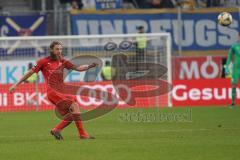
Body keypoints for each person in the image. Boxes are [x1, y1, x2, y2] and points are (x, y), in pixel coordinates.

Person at [9, 41, 97, 140]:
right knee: (74, 106)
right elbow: (30, 72)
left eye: (60, 49)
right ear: (51, 50)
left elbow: (78, 68)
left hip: (62, 90)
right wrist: (16, 85)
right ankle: (82, 134)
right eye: (57, 49)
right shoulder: (43, 61)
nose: (59, 51)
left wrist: (89, 66)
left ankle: (57, 130)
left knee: (74, 112)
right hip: (53, 91)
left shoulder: (63, 61)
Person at [225, 33, 240, 107]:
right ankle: (233, 103)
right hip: (236, 68)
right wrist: (227, 67)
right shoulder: (234, 46)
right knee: (234, 85)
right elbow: (229, 56)